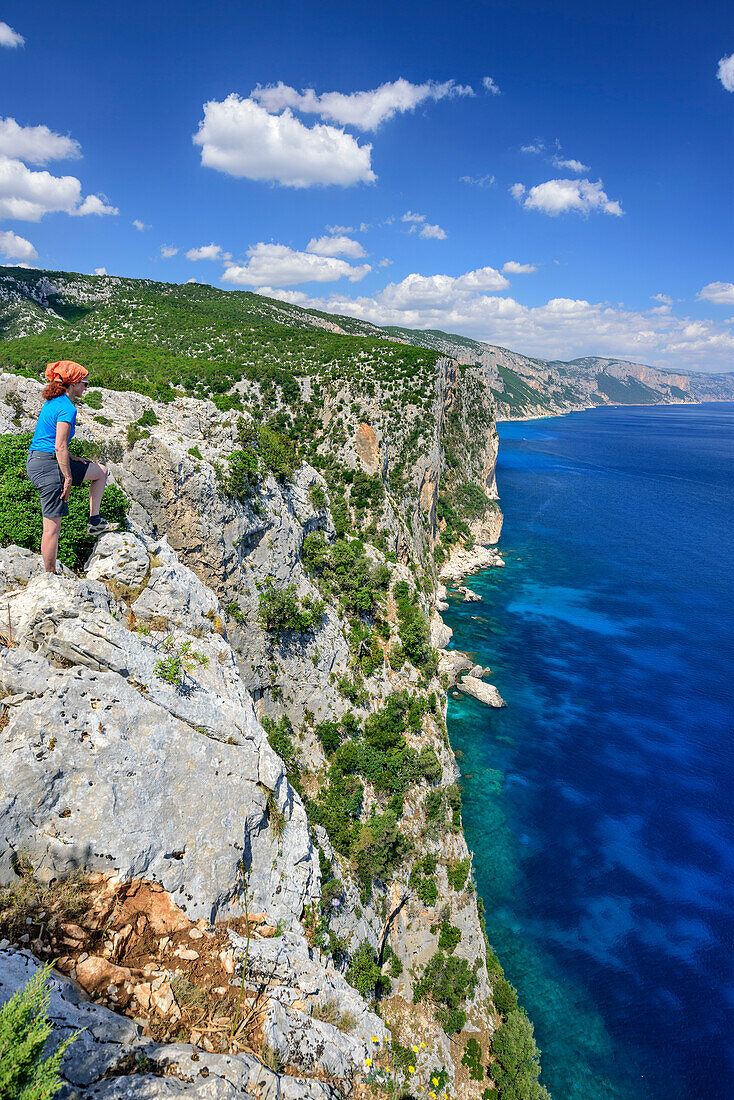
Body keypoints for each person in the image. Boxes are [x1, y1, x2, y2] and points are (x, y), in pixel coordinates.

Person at [26, 360, 118, 574]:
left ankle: (94, 521)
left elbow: (50, 440)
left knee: (100, 471)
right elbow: (59, 446)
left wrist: (72, 457)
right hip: (49, 466)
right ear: (74, 383)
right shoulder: (66, 408)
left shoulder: (54, 401)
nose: (86, 388)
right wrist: (68, 477)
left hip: (41, 460)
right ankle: (49, 576)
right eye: (84, 383)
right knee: (52, 527)